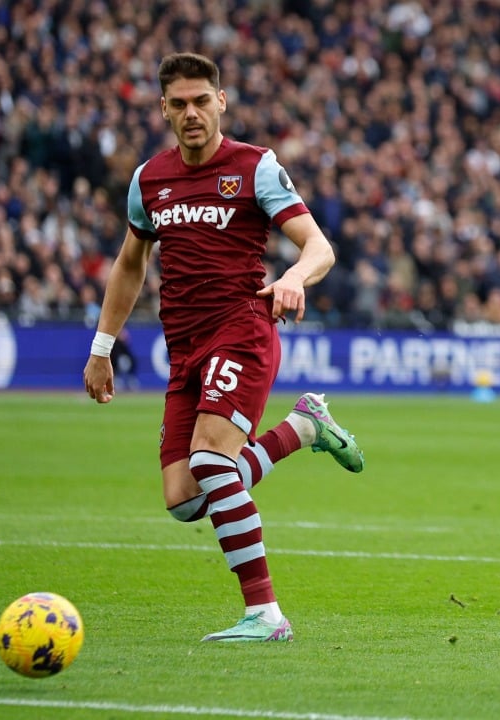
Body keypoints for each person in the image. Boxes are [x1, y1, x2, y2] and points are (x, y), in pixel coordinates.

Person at [82, 53, 365, 643]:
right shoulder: (148, 180)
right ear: (163, 108)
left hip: (242, 329)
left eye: (201, 101)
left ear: (221, 102)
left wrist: (291, 278)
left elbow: (318, 246)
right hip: (184, 347)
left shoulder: (254, 167)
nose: (191, 113)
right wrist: (102, 345)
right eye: (179, 103)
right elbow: (130, 263)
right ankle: (304, 428)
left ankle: (265, 614)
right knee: (186, 497)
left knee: (212, 463)